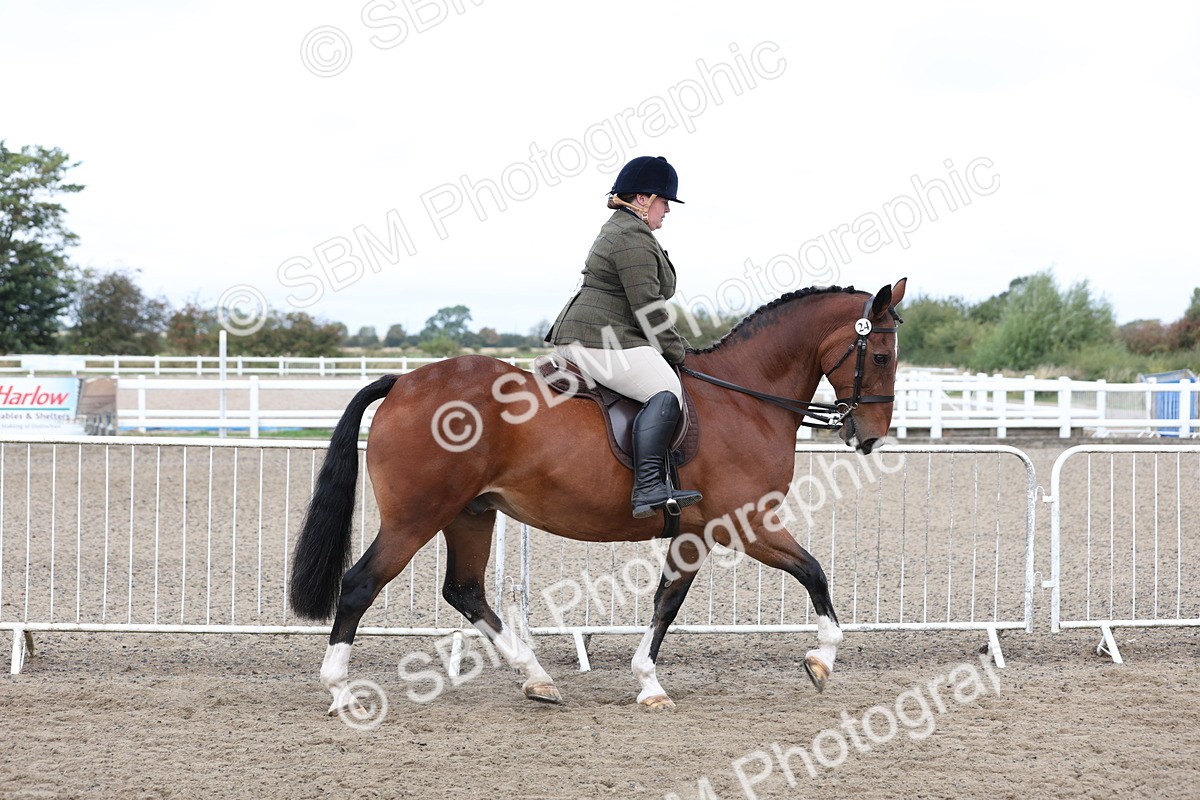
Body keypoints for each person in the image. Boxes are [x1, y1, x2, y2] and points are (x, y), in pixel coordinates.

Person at [545, 155, 703, 519]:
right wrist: (679, 353)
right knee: (666, 391)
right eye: (665, 201)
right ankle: (648, 486)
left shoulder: (630, 230)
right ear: (644, 199)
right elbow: (648, 308)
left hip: (605, 333)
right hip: (597, 338)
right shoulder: (630, 236)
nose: (667, 210)